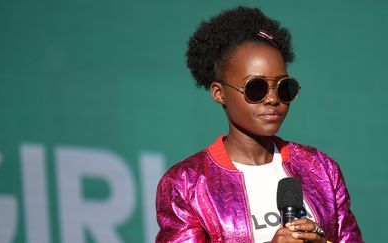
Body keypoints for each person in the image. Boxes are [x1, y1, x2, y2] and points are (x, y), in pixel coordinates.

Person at [155, 6, 363, 243]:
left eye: (284, 87)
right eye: (256, 88)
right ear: (219, 93)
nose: (273, 99)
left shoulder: (322, 169)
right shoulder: (185, 184)